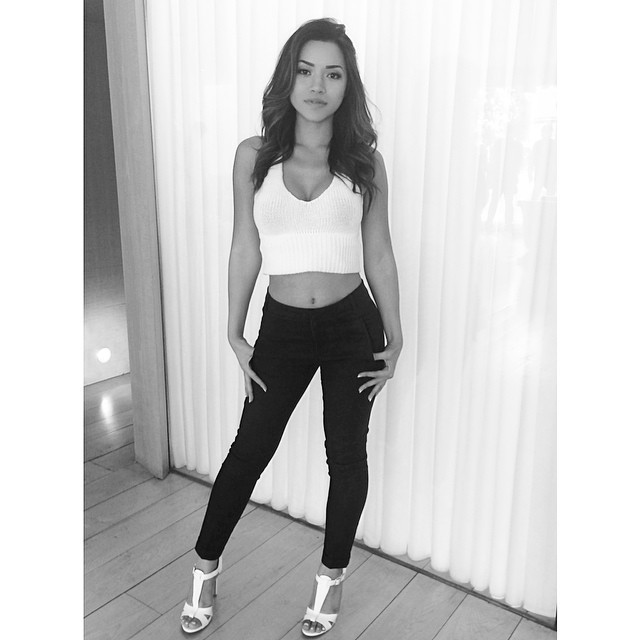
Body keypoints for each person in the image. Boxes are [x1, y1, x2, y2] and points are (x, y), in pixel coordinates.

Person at [180, 17, 402, 636]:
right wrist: (234, 331)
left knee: (345, 455)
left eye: (333, 74)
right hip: (281, 328)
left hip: (352, 325)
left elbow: (379, 252)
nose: (318, 86)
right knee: (250, 448)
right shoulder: (253, 157)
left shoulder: (365, 162)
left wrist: (397, 336)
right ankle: (203, 569)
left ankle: (329, 581)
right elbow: (244, 245)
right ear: (289, 77)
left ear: (348, 85)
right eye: (306, 71)